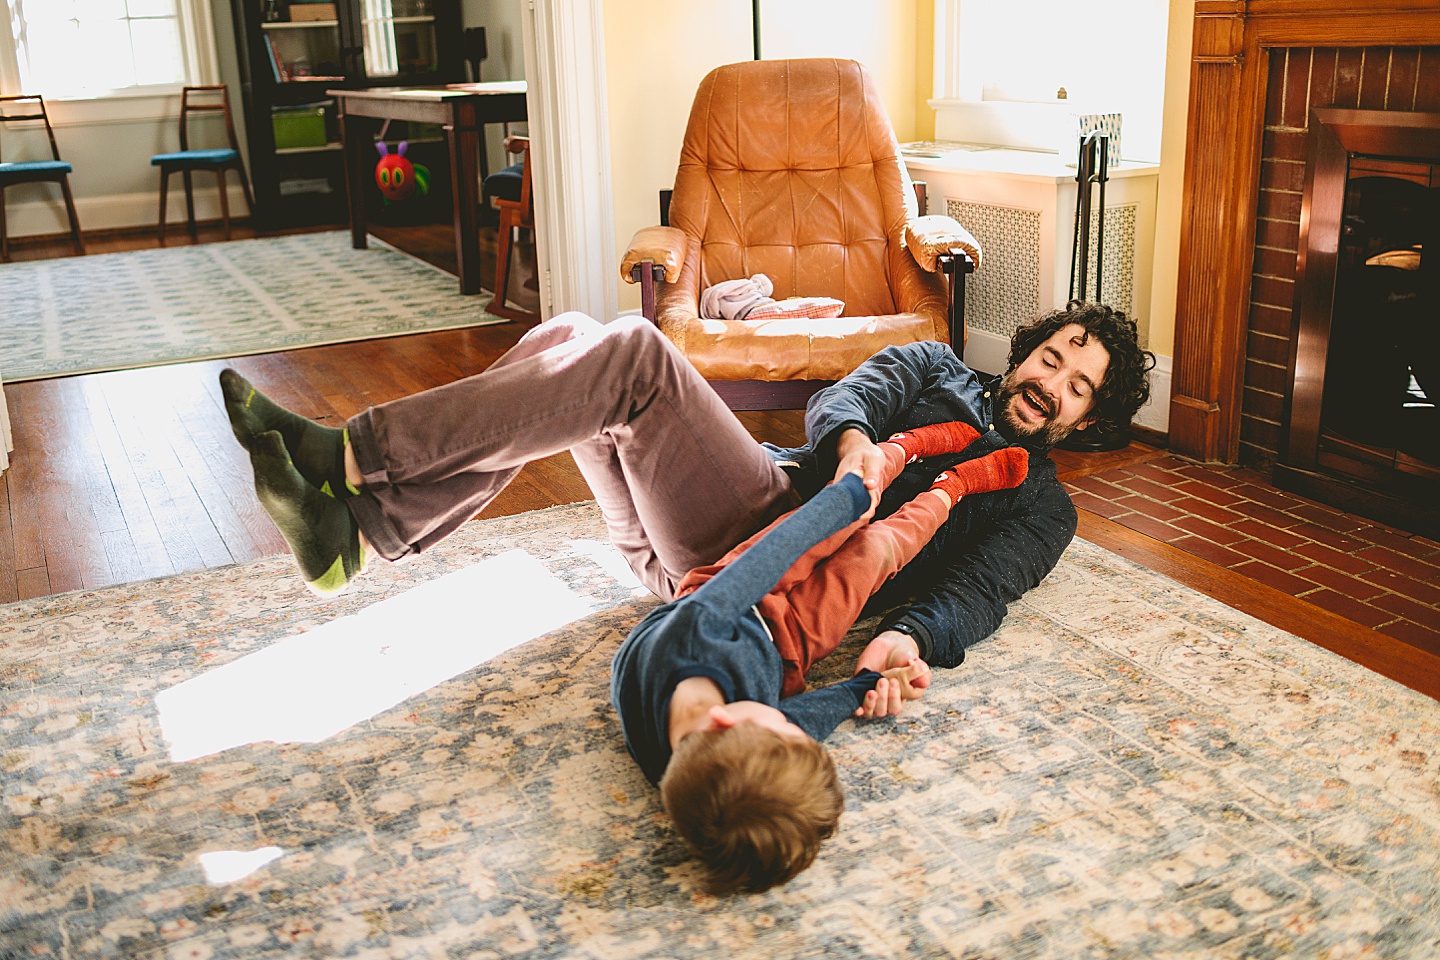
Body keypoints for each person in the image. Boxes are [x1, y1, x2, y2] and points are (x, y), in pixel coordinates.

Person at [613, 420, 1028, 894]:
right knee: (875, 552)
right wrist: (866, 685)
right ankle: (952, 489)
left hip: (733, 594)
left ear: (723, 722)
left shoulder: (689, 637)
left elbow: (770, 557)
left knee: (849, 512)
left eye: (785, 723)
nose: (795, 720)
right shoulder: (710, 774)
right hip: (789, 647)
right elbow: (802, 721)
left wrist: (845, 501)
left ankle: (901, 450)